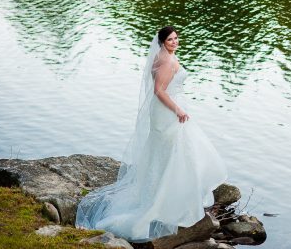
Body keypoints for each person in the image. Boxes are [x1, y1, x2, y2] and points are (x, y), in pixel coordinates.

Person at [76, 26, 228, 241]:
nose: (175, 42)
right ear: (162, 41)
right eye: (170, 39)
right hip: (168, 111)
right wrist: (178, 110)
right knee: (175, 151)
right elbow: (159, 90)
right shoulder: (166, 61)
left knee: (167, 152)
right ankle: (165, 200)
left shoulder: (162, 56)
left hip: (166, 109)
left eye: (176, 38)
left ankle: (167, 192)